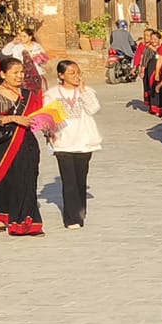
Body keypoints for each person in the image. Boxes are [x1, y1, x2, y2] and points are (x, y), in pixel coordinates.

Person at [0, 56, 45, 236]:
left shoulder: (28, 95)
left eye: (21, 72)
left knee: (27, 179)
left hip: (26, 141)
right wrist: (13, 118)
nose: (19, 76)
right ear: (3, 74)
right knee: (5, 180)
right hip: (1, 142)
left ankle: (27, 222)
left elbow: (36, 115)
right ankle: (2, 218)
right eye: (15, 72)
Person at [43, 60, 101, 230]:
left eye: (78, 73)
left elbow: (94, 109)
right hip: (63, 142)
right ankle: (72, 217)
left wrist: (82, 90)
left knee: (80, 178)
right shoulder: (52, 94)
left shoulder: (87, 92)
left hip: (84, 141)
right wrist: (48, 132)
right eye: (71, 73)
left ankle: (80, 208)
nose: (76, 76)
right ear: (61, 75)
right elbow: (46, 117)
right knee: (69, 181)